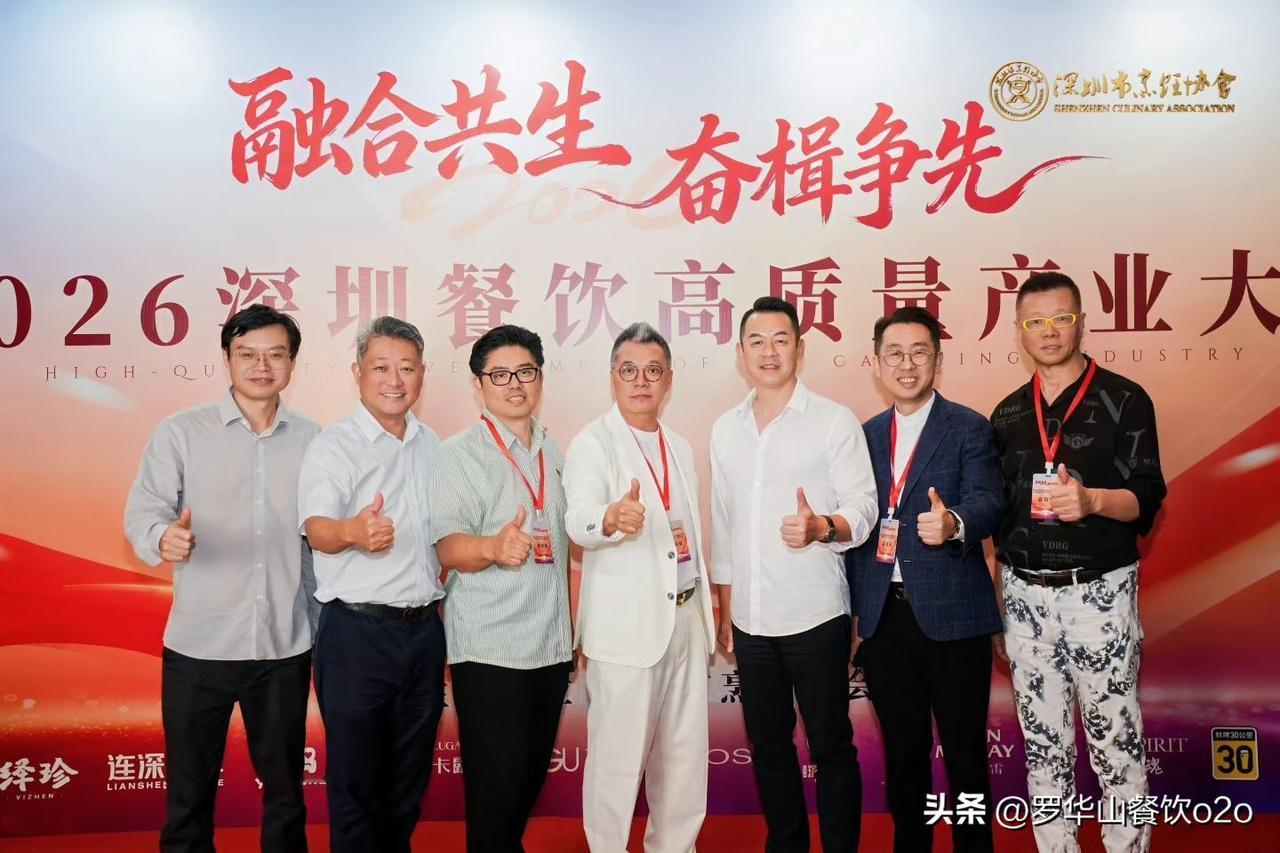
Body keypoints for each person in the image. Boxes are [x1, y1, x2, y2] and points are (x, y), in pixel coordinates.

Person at [124, 304, 318, 853]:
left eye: (275, 354)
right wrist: (162, 536)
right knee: (188, 798)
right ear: (227, 359)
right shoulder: (181, 433)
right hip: (199, 646)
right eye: (247, 354)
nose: (262, 366)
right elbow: (144, 512)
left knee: (286, 796)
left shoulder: (314, 440)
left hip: (283, 646)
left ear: (292, 363)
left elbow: (317, 541)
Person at [991, 272, 1166, 853]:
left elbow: (1147, 496)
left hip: (1100, 593)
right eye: (1036, 321)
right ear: (1020, 331)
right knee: (1044, 749)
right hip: (1024, 597)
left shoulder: (1125, 398)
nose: (1049, 331)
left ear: (1081, 323)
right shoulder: (1007, 414)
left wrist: (1092, 501)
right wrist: (1000, 604)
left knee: (1117, 744)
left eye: (1061, 318)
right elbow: (1002, 523)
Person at [710, 296, 878, 852]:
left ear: (800, 350)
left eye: (781, 340)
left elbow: (863, 508)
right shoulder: (725, 429)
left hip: (815, 615)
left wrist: (822, 527)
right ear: (741, 354)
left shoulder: (833, 421)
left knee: (831, 747)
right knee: (769, 747)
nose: (769, 352)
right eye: (756, 342)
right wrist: (727, 607)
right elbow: (724, 525)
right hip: (751, 620)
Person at [848, 306, 1005, 853]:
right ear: (877, 363)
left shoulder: (968, 426)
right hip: (886, 620)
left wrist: (954, 522)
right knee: (904, 757)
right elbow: (858, 528)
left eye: (919, 352)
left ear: (937, 361)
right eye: (894, 353)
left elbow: (990, 501)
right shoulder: (865, 436)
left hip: (955, 618)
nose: (907, 364)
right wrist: (858, 617)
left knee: (965, 757)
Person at [563, 322, 716, 852]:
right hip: (627, 631)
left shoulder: (678, 445)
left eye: (653, 370)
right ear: (613, 377)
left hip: (686, 618)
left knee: (684, 759)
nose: (641, 381)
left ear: (669, 379)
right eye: (629, 370)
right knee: (616, 764)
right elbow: (577, 518)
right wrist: (609, 518)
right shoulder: (593, 442)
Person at [298, 316, 446, 853]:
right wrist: (353, 532)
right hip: (358, 635)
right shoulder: (334, 445)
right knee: (357, 784)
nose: (394, 380)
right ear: (358, 372)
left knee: (407, 783)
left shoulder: (432, 445)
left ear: (422, 374)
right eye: (381, 367)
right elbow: (316, 529)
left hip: (423, 633)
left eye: (407, 368)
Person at [431, 325, 573, 852]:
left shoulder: (554, 450)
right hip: (491, 648)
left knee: (526, 783)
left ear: (540, 376)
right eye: (500, 375)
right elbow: (448, 548)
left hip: (550, 646)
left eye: (525, 372)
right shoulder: (458, 455)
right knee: (496, 791)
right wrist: (492, 547)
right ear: (478, 383)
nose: (515, 384)